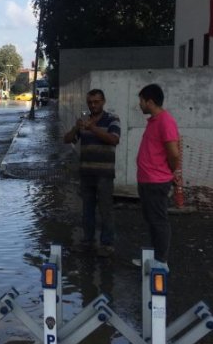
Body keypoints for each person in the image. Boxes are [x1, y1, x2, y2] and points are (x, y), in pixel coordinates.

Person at [64, 89, 121, 257]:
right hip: (86, 173)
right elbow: (67, 140)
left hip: (104, 174)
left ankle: (107, 243)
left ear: (103, 102)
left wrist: (93, 128)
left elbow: (114, 139)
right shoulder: (84, 121)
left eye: (96, 102)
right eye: (90, 102)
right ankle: (88, 241)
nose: (93, 105)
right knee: (87, 209)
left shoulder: (112, 119)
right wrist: (76, 127)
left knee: (105, 210)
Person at [133, 84, 181, 271]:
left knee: (159, 221)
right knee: (151, 220)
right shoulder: (154, 121)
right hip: (146, 180)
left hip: (156, 181)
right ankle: (153, 256)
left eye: (141, 101)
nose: (140, 104)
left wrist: (170, 171)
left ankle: (161, 261)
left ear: (150, 102)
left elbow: (174, 154)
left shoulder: (165, 121)